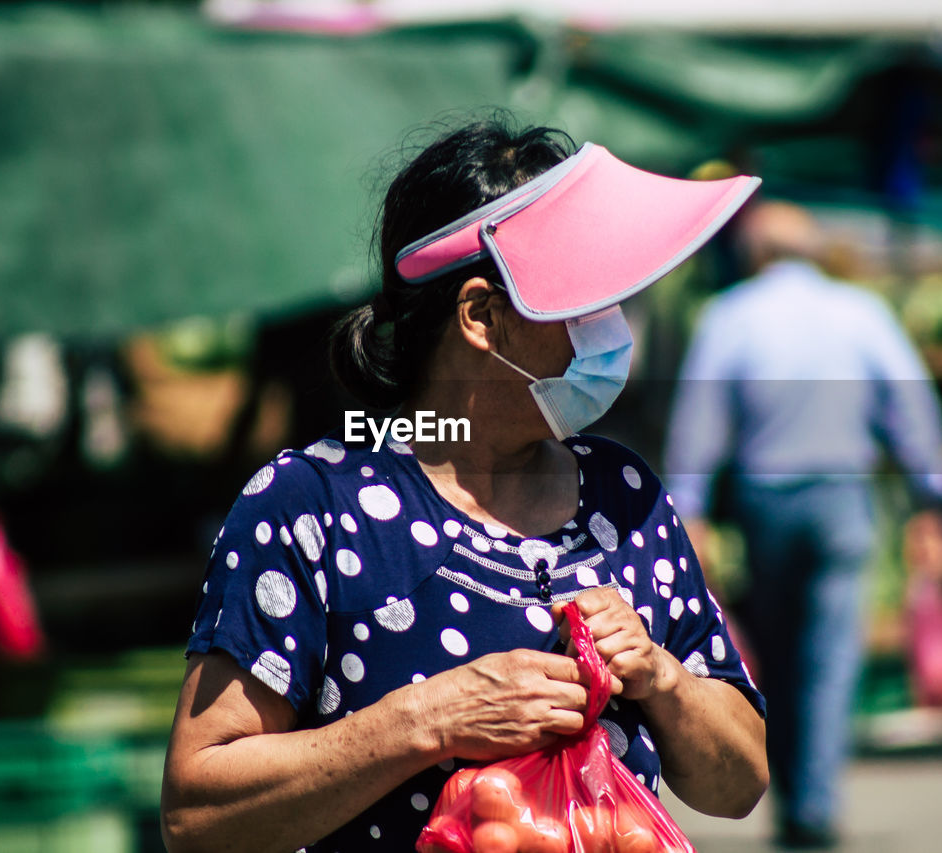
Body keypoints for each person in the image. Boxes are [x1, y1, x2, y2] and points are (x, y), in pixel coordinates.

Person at [159, 118, 769, 853]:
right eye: (581, 302)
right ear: (481, 316)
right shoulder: (315, 504)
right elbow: (197, 814)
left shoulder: (624, 495)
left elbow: (741, 782)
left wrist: (664, 680)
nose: (610, 328)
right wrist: (427, 719)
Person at [663, 201, 942, 849]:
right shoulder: (862, 314)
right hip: (842, 499)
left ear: (755, 253)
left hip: (763, 503)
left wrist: (691, 509)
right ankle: (814, 802)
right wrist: (932, 496)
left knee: (775, 648)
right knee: (829, 652)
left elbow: (699, 421)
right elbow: (910, 406)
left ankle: (794, 790)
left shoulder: (728, 317)